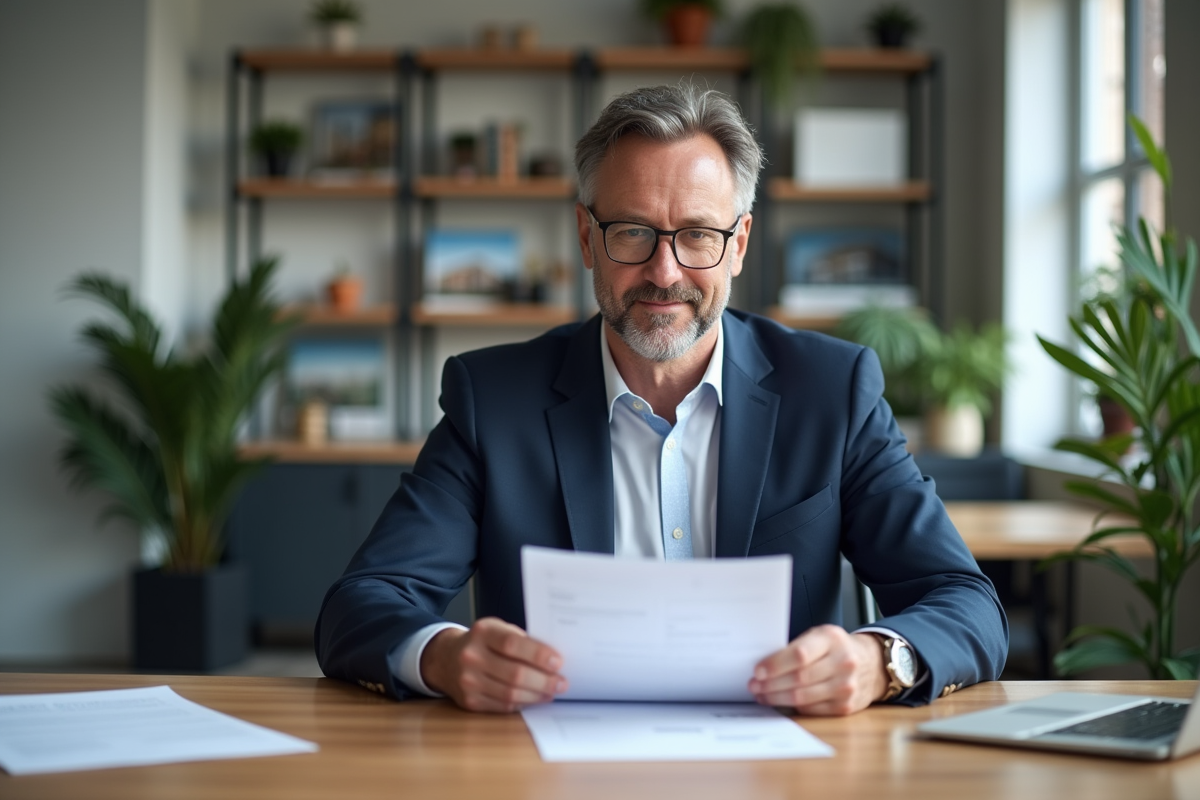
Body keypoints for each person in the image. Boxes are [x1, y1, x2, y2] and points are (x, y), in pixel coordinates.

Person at [315, 84, 1007, 715]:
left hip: (788, 769)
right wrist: (441, 657)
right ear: (588, 238)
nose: (664, 272)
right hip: (545, 770)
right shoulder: (493, 400)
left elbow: (964, 603)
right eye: (633, 232)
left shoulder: (832, 391)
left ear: (738, 244)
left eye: (698, 235)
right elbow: (361, 604)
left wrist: (877, 659)